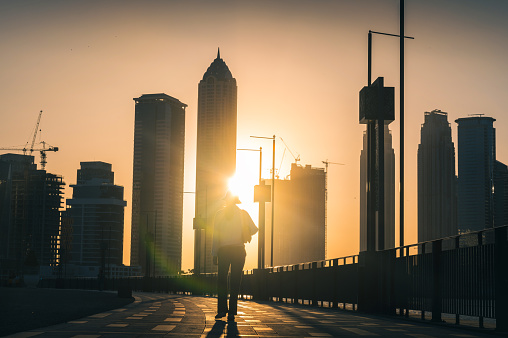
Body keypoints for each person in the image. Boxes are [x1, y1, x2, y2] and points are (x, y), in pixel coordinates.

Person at [212, 191, 258, 321]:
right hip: (238, 250)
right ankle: (232, 312)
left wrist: (214, 254)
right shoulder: (243, 214)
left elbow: (216, 236)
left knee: (221, 281)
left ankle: (222, 310)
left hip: (224, 251)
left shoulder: (219, 214)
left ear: (226, 201)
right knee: (235, 281)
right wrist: (245, 233)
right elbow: (254, 229)